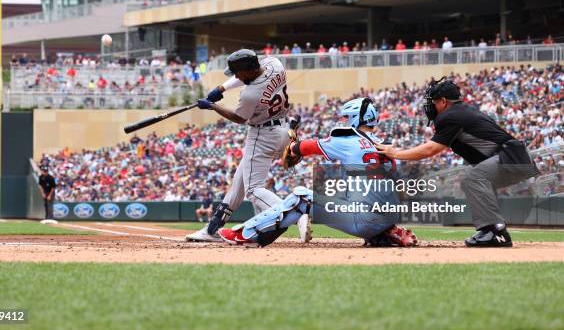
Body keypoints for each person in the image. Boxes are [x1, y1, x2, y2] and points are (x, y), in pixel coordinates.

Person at [218, 98, 418, 247]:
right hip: (388, 217)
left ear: (356, 118)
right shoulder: (387, 148)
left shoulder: (348, 139)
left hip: (364, 220)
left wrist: (293, 147)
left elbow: (305, 147)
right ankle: (384, 233)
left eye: (347, 117)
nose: (345, 121)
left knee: (301, 197)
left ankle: (246, 234)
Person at [376, 78, 539, 247]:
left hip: (511, 156)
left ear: (444, 101)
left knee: (473, 179)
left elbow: (430, 149)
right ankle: (493, 230)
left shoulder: (450, 115)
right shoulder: (462, 111)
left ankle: (495, 232)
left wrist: (396, 153)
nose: (431, 106)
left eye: (434, 101)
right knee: (478, 180)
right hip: (516, 155)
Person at [185, 49, 311, 243]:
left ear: (249, 69)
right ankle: (212, 229)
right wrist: (221, 89)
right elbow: (247, 77)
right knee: (238, 185)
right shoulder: (274, 64)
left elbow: (239, 118)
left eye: (238, 73)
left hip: (262, 136)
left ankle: (295, 213)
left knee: (253, 190)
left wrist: (212, 106)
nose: (236, 76)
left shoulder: (250, 94)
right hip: (284, 131)